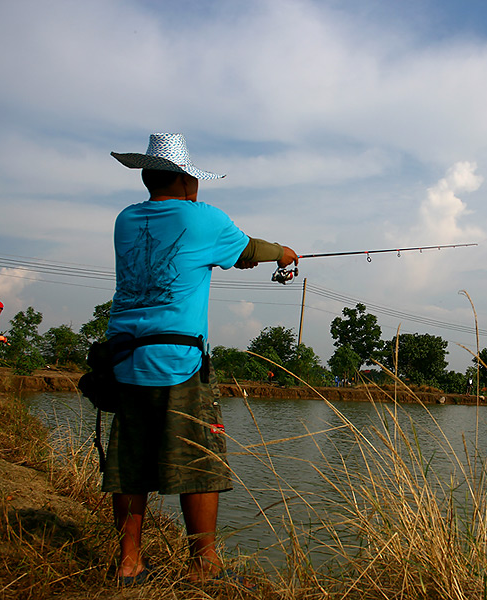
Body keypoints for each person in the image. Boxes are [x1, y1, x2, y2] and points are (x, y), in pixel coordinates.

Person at [106, 133, 298, 585]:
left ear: (147, 176)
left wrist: (228, 256)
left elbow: (197, 255)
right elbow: (249, 250)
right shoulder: (203, 219)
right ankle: (204, 564)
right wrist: (284, 253)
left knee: (130, 467)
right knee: (198, 462)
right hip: (180, 362)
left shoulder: (125, 220)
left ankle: (128, 562)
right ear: (187, 181)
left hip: (124, 360)